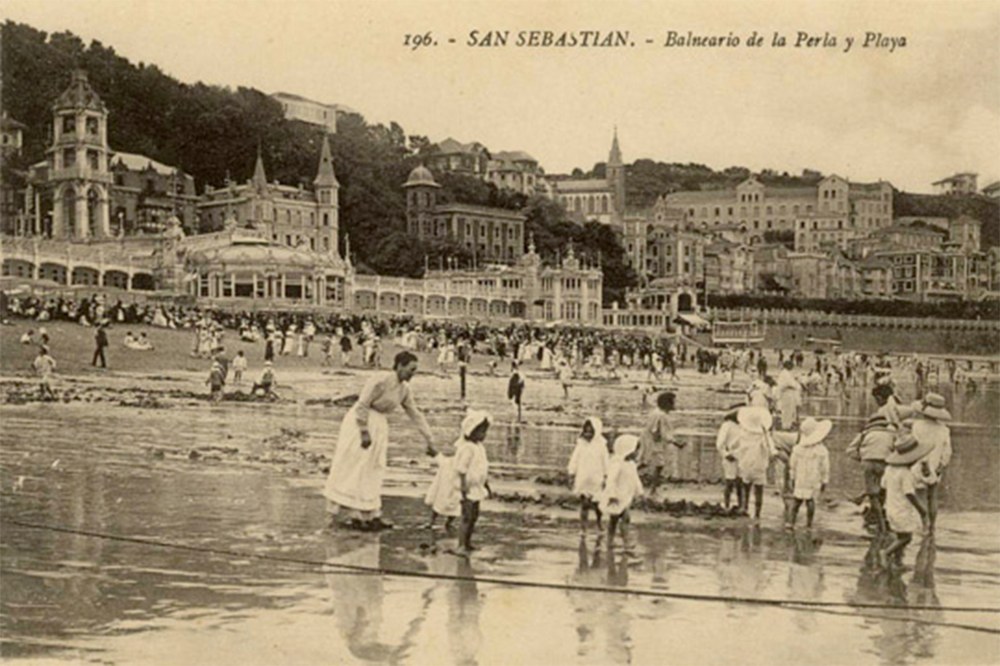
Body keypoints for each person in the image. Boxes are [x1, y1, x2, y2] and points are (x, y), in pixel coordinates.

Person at [323, 351, 436, 531]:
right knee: (354, 464)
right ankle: (352, 513)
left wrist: (429, 439)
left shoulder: (404, 389)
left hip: (380, 426)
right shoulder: (381, 380)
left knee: (374, 467)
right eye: (411, 369)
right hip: (359, 424)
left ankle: (370, 513)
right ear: (399, 365)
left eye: (415, 371)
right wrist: (363, 431)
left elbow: (415, 414)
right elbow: (362, 404)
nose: (412, 374)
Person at [880, 434, 932, 570]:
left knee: (900, 535)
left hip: (890, 506)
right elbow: (909, 493)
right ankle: (885, 553)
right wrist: (921, 509)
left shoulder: (889, 469)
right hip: (901, 509)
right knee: (906, 538)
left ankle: (897, 563)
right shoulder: (905, 473)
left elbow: (883, 485)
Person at [845, 414, 895, 534]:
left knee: (872, 494)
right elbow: (897, 449)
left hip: (869, 463)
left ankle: (879, 522)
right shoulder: (892, 434)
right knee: (883, 491)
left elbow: (850, 450)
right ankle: (880, 516)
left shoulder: (865, 434)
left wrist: (862, 458)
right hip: (886, 464)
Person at [909, 393, 952, 534]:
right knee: (933, 497)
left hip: (919, 464)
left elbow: (913, 446)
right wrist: (941, 465)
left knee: (920, 495)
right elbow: (947, 452)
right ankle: (933, 526)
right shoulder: (944, 429)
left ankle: (924, 524)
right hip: (935, 466)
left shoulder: (917, 426)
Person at [453, 410, 492, 555]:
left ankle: (468, 542)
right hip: (467, 488)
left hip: (477, 487)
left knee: (474, 515)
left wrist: (486, 484)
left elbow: (482, 467)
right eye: (481, 431)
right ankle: (461, 545)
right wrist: (463, 486)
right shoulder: (467, 448)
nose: (484, 435)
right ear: (471, 431)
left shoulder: (479, 448)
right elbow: (461, 469)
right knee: (466, 516)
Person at [599, 435, 643, 552]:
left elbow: (635, 479)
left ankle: (610, 540)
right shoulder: (617, 464)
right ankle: (625, 543)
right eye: (635, 450)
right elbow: (611, 480)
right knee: (624, 518)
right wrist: (612, 495)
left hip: (625, 496)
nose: (637, 453)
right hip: (616, 497)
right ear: (628, 450)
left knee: (615, 520)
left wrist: (639, 492)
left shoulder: (631, 464)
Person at [787, 418, 833, 529]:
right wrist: (824, 480)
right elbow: (825, 468)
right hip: (813, 478)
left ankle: (791, 522)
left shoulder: (797, 449)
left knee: (796, 500)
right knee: (811, 501)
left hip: (800, 478)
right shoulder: (822, 451)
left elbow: (792, 465)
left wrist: (792, 478)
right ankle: (808, 523)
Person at [568, 417, 609, 533]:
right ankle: (583, 527)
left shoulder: (601, 446)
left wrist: (606, 476)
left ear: (596, 432)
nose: (588, 434)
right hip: (583, 479)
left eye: (591, 432)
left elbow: (605, 462)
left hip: (597, 479)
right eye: (586, 431)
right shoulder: (581, 444)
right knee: (584, 505)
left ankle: (599, 522)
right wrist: (571, 473)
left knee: (598, 505)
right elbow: (574, 460)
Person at [639, 391, 685, 493]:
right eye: (673, 402)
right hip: (653, 442)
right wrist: (676, 442)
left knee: (647, 462)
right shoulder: (661, 415)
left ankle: (652, 488)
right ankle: (652, 489)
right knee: (657, 464)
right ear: (667, 403)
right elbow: (662, 433)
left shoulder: (656, 413)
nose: (675, 404)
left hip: (650, 441)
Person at [734, 406, 774, 521]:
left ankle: (745, 506)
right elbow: (770, 448)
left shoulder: (743, 434)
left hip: (746, 465)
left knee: (746, 486)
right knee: (759, 491)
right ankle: (757, 513)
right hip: (759, 466)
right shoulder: (763, 436)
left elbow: (737, 447)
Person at [715, 404, 744, 509]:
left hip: (742, 457)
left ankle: (742, 505)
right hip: (730, 456)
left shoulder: (744, 425)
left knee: (741, 483)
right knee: (730, 482)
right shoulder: (727, 425)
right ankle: (727, 505)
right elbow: (720, 443)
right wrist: (726, 454)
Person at [775, 360, 803, 430]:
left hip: (789, 393)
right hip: (787, 394)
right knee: (787, 411)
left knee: (789, 411)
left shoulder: (786, 373)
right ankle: (786, 426)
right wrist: (797, 385)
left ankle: (788, 425)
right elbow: (789, 383)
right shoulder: (785, 373)